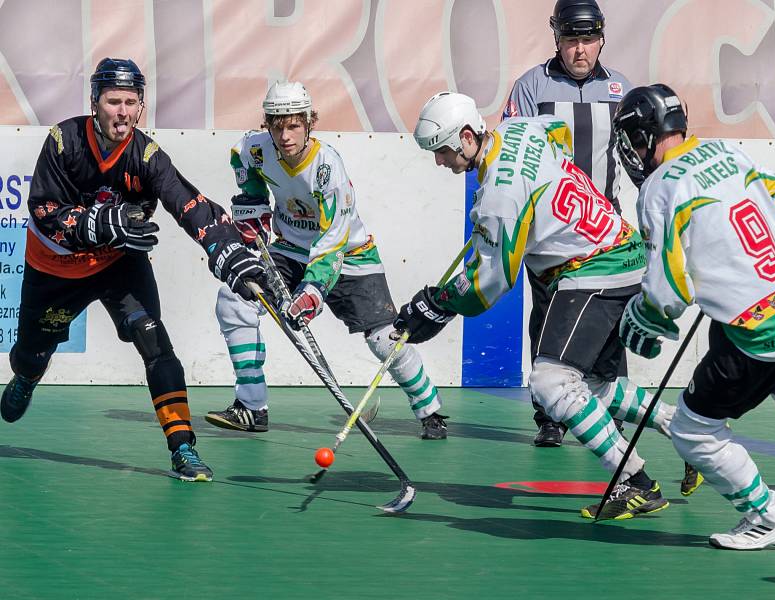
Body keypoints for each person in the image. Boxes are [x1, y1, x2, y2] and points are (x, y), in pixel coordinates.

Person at [396, 90, 678, 519]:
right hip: (619, 246)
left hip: (594, 268)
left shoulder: (499, 202)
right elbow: (560, 136)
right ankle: (684, 430)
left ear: (469, 136)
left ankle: (634, 481)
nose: (441, 162)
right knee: (593, 389)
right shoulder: (520, 128)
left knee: (550, 384)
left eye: (444, 151)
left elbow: (488, 286)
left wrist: (434, 303)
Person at [0, 58, 267, 482]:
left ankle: (183, 448)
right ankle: (27, 378)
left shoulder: (147, 155)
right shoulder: (63, 141)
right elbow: (43, 210)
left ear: (140, 106)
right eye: (112, 101)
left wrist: (228, 251)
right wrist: (98, 222)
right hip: (56, 268)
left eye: (130, 102)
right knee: (31, 355)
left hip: (119, 262)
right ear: (95, 103)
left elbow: (188, 203)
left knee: (154, 341)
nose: (122, 112)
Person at [204, 81, 448, 439]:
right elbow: (241, 158)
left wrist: (312, 291)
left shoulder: (327, 169)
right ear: (267, 125)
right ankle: (252, 407)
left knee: (384, 339)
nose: (285, 135)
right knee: (234, 300)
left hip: (349, 254)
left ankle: (430, 412)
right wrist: (253, 203)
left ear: (309, 123)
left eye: (294, 125)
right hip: (289, 249)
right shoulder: (255, 149)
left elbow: (332, 243)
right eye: (277, 125)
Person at [613, 83, 775, 548]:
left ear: (645, 134)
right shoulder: (728, 153)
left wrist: (645, 315)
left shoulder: (660, 187)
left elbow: (669, 290)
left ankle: (768, 516)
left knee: (693, 431)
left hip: (753, 332)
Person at [505, 0, 634, 450]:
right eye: (571, 40)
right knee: (547, 320)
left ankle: (611, 411)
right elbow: (512, 158)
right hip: (550, 236)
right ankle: (551, 416)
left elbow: (639, 159)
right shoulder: (529, 87)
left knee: (611, 326)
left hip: (607, 234)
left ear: (601, 38)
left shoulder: (622, 89)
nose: (581, 50)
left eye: (588, 40)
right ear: (556, 37)